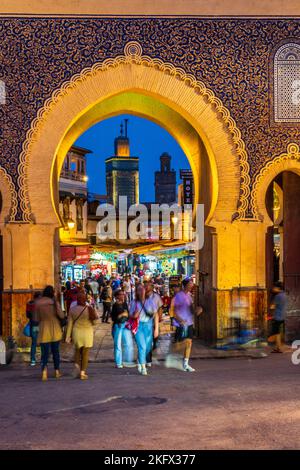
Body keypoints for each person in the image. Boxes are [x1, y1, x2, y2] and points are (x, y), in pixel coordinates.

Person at [168, 278, 202, 372]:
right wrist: (180, 320)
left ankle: (186, 364)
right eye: (190, 284)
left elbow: (191, 310)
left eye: (192, 284)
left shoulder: (189, 296)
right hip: (181, 325)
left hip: (189, 323)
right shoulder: (179, 296)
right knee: (182, 344)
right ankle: (171, 353)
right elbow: (174, 311)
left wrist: (197, 311)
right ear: (185, 285)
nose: (192, 285)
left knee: (189, 343)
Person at [65, 291, 98, 380]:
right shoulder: (89, 309)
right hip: (87, 334)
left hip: (77, 333)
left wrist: (68, 336)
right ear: (85, 299)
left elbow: (70, 324)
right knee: (85, 353)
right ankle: (83, 373)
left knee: (77, 352)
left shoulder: (72, 310)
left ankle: (77, 367)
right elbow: (95, 322)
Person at [36, 285, 65, 381]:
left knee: (44, 353)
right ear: (52, 293)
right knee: (55, 352)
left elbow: (36, 318)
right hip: (54, 328)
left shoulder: (38, 303)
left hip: (44, 328)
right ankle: (57, 371)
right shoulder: (54, 302)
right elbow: (61, 315)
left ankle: (44, 371)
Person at [129, 284, 157, 376]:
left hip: (148, 325)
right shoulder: (134, 302)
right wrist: (134, 315)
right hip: (139, 326)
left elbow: (155, 314)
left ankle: (140, 360)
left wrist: (156, 328)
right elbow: (130, 315)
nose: (141, 291)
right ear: (136, 292)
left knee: (148, 348)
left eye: (142, 289)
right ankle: (143, 367)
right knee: (142, 347)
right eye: (139, 290)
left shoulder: (150, 301)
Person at [111, 289, 134, 368]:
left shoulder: (124, 304)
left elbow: (127, 314)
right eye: (120, 294)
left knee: (128, 343)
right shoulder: (115, 305)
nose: (122, 295)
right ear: (116, 296)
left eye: (123, 294)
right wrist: (122, 315)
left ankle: (126, 360)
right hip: (118, 325)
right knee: (117, 345)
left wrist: (123, 315)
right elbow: (114, 317)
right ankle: (118, 363)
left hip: (125, 325)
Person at [144, 281, 162, 367]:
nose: (146, 287)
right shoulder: (142, 296)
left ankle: (151, 350)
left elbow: (160, 308)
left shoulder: (156, 297)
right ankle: (147, 358)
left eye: (148, 286)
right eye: (145, 286)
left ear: (152, 287)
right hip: (144, 322)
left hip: (154, 320)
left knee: (153, 340)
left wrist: (160, 317)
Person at [268, 282, 287, 353]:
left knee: (276, 333)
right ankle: (277, 347)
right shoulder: (284, 295)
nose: (273, 289)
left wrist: (270, 306)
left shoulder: (278, 296)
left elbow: (272, 306)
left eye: (274, 287)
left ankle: (279, 348)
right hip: (282, 316)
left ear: (278, 288)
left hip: (277, 316)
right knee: (278, 332)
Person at [26, 291, 42, 366]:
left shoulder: (29, 304)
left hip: (33, 324)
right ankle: (43, 360)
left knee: (34, 343)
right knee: (42, 342)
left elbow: (28, 315)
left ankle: (32, 360)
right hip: (40, 325)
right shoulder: (41, 304)